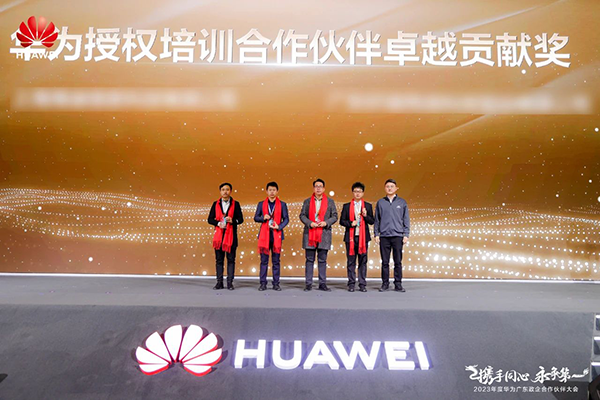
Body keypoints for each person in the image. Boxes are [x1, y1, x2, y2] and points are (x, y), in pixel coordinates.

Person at [299, 178, 338, 292]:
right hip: (310, 233)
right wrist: (309, 223)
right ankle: (308, 284)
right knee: (309, 260)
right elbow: (302, 215)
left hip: (324, 234)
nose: (318, 188)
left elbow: (335, 216)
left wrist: (326, 222)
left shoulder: (330, 202)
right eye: (316, 186)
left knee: (322, 260)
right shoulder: (307, 201)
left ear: (324, 188)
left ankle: (322, 284)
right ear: (313, 188)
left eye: (320, 186)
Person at [374, 179, 410, 292]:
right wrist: (376, 234)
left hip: (397, 236)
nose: (389, 188)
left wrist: (406, 234)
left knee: (397, 262)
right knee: (385, 262)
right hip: (384, 236)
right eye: (387, 186)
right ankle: (385, 284)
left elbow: (406, 219)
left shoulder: (402, 202)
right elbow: (377, 220)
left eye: (392, 186)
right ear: (385, 188)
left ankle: (398, 284)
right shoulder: (380, 202)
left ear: (396, 188)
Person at [207, 182, 244, 290]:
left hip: (231, 237)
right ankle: (219, 282)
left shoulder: (236, 204)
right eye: (223, 190)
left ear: (230, 191)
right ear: (220, 192)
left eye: (227, 189)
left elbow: (241, 219)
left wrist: (233, 221)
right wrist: (218, 223)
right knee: (219, 261)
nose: (225, 192)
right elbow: (209, 219)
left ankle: (230, 283)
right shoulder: (215, 204)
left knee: (231, 260)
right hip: (219, 237)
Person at [254, 181, 289, 291]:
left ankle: (276, 284)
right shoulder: (261, 204)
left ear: (277, 191)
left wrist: (279, 226)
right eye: (270, 190)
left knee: (276, 261)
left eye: (274, 190)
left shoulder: (282, 204)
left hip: (276, 235)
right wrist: (263, 218)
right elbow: (256, 218)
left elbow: (286, 219)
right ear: (266, 191)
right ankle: (263, 283)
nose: (272, 192)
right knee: (264, 261)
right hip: (264, 236)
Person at [339, 182, 375, 292]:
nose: (357, 193)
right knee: (351, 261)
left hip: (363, 238)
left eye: (359, 191)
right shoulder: (346, 206)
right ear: (352, 192)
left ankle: (362, 284)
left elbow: (372, 221)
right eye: (355, 191)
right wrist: (351, 223)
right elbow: (341, 221)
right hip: (350, 238)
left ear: (363, 193)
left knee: (363, 261)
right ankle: (351, 284)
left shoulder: (367, 206)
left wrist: (366, 215)